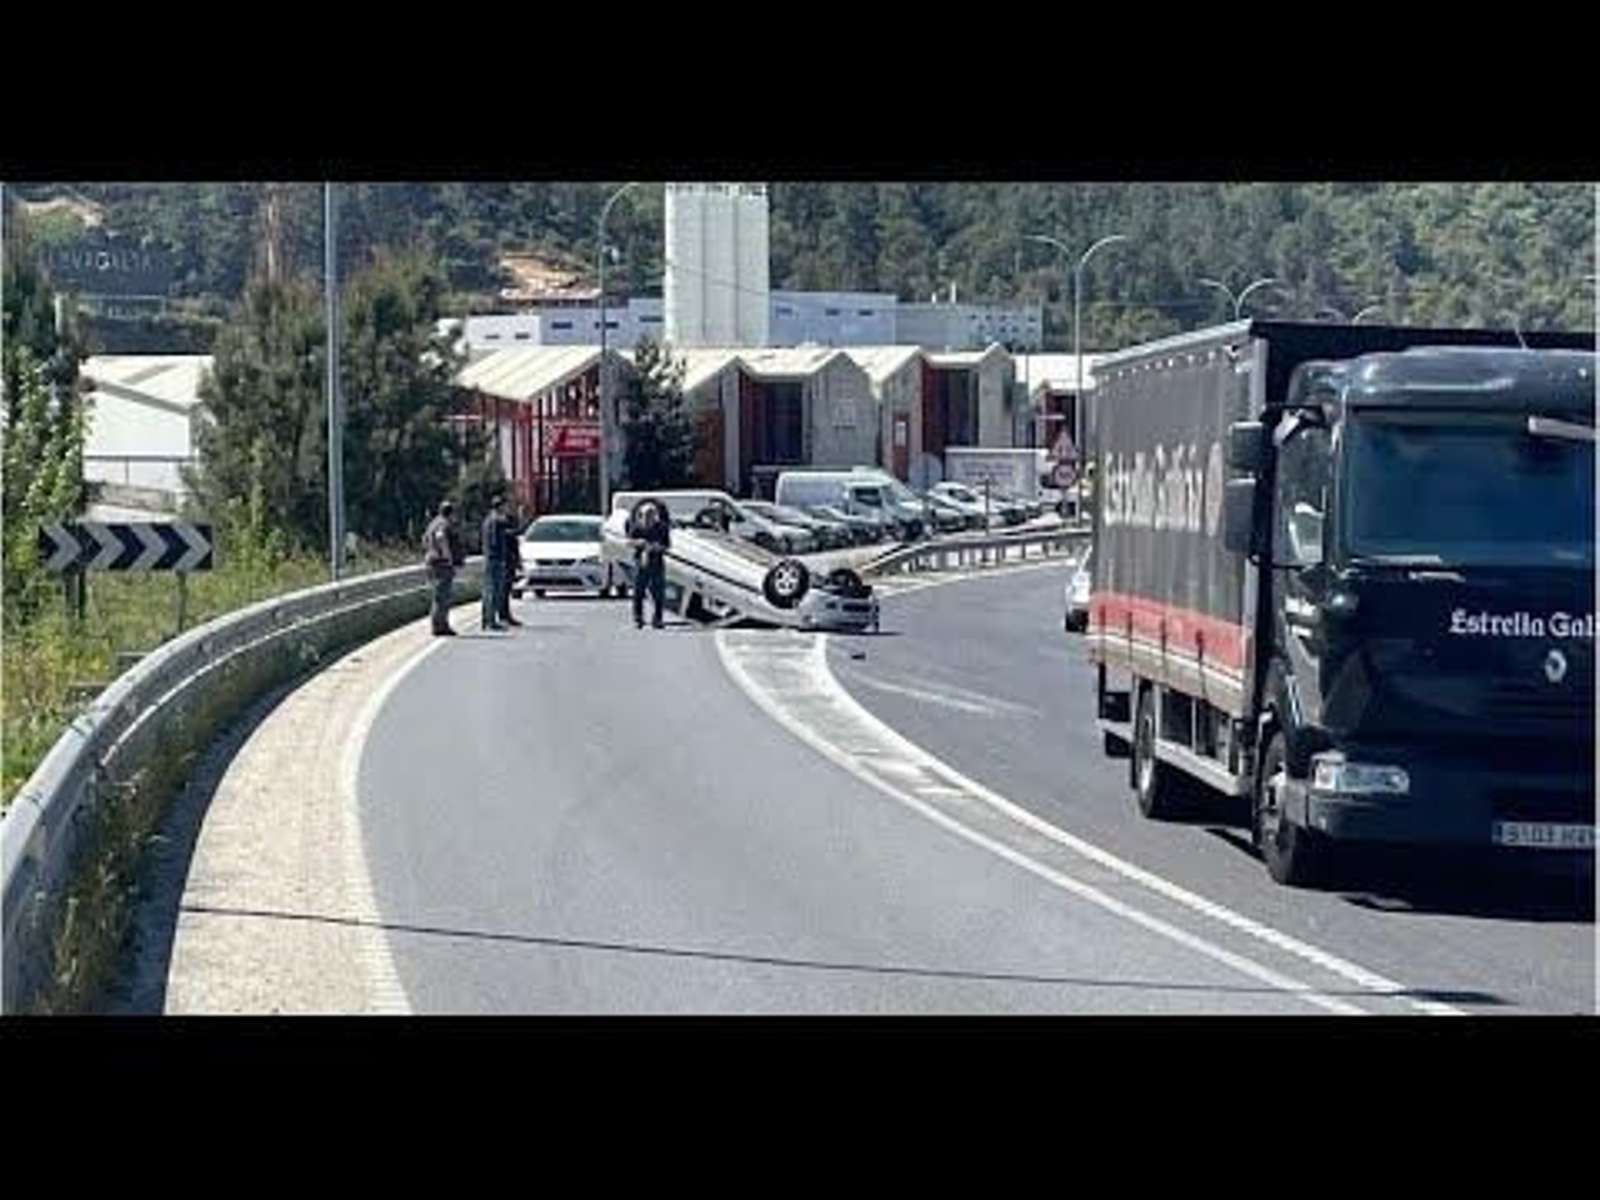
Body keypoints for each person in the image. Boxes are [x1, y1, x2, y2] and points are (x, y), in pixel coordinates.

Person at [627, 498, 671, 629]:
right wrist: (639, 542)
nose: (648, 518)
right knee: (638, 592)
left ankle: (657, 619)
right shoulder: (637, 527)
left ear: (655, 515)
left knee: (658, 592)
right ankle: (638, 618)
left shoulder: (662, 528)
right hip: (641, 562)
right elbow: (629, 542)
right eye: (645, 515)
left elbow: (667, 546)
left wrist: (658, 547)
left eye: (651, 515)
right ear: (641, 515)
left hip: (657, 562)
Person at [423, 499, 461, 636]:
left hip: (432, 561)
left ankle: (440, 624)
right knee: (443, 596)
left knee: (439, 595)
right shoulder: (443, 524)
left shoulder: (432, 523)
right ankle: (440, 626)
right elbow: (441, 538)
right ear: (450, 513)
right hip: (441, 563)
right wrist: (448, 557)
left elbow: (425, 541)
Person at [480, 493, 518, 631]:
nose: (507, 508)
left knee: (488, 590)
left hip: (489, 558)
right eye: (505, 505)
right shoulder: (496, 521)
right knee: (494, 591)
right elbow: (496, 542)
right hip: (495, 559)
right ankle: (491, 622)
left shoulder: (487, 520)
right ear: (501, 506)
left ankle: (486, 620)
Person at [497, 504, 524, 627]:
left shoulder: (504, 530)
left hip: (508, 561)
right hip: (505, 562)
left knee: (506, 590)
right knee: (504, 590)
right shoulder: (504, 529)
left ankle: (505, 614)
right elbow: (514, 544)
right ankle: (503, 615)